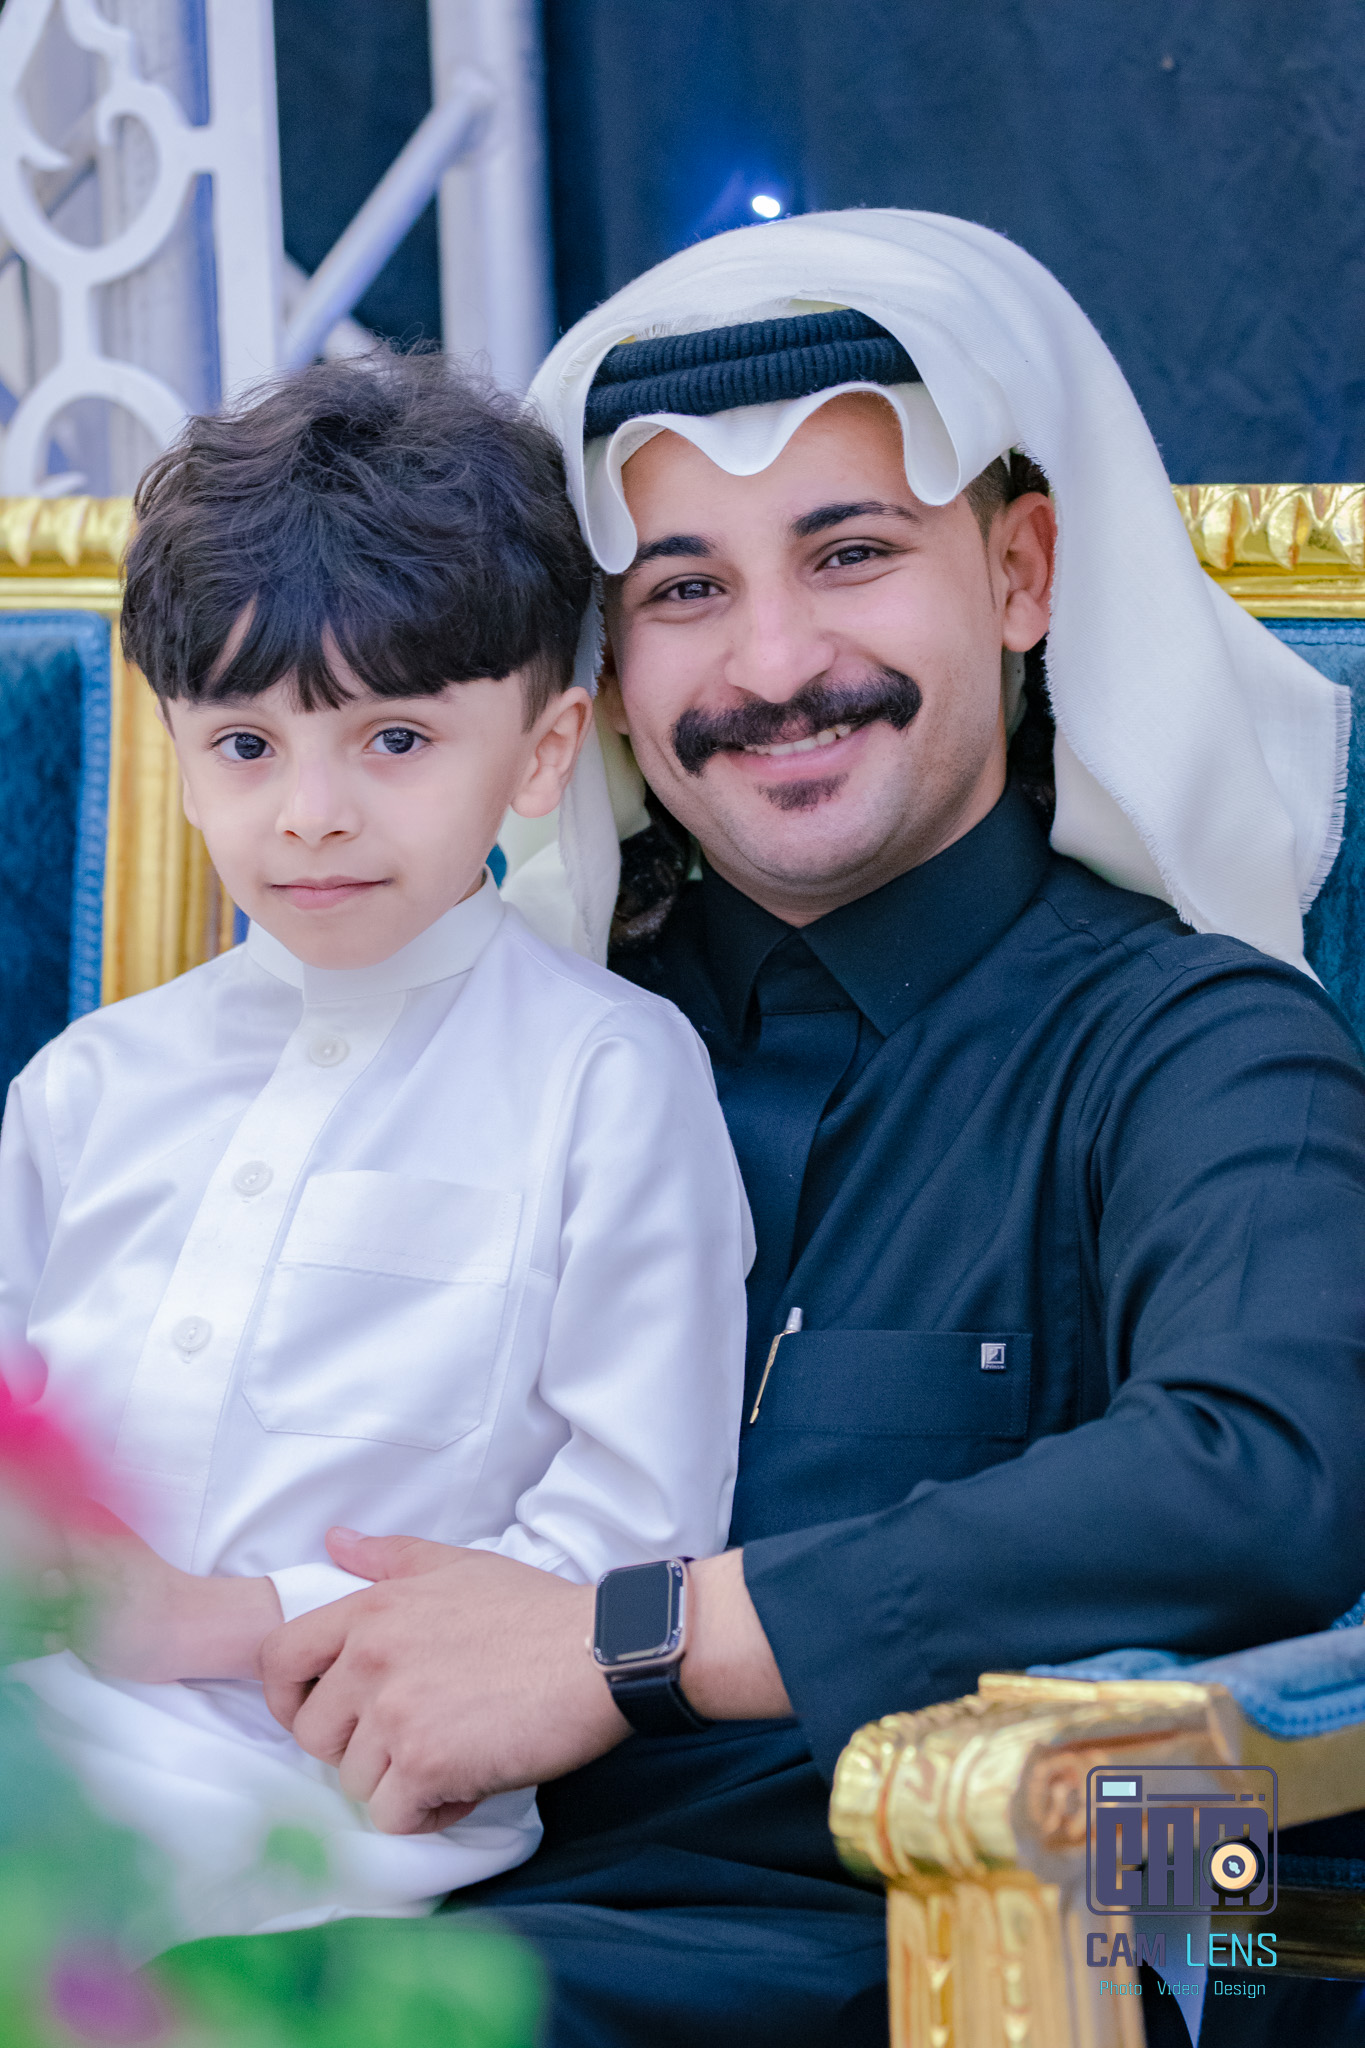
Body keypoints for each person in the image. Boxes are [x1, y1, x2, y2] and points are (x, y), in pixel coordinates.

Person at [258, 215, 1365, 2047]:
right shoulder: (500, 1051)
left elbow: (1270, 1478)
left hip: (1006, 1927)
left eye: (849, 554)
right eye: (683, 589)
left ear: (1018, 574)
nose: (773, 665)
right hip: (431, 1889)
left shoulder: (1192, 1047)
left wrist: (632, 1641)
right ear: (606, 664)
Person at [0, 355, 751, 1948]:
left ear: (542, 751)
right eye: (246, 746)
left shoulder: (606, 1078)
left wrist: (218, 1622)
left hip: (319, 1816)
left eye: (393, 740)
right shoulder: (86, 1086)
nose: (311, 814)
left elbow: (623, 1543)